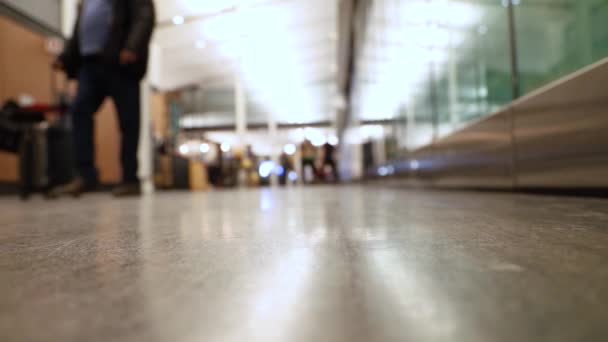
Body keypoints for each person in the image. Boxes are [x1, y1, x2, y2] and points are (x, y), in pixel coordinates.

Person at [51, 0, 155, 197]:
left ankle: (130, 179)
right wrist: (65, 57)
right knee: (79, 111)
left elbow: (144, 17)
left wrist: (132, 46)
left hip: (120, 61)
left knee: (128, 122)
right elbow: (78, 32)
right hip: (90, 66)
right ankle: (86, 175)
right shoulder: (85, 3)